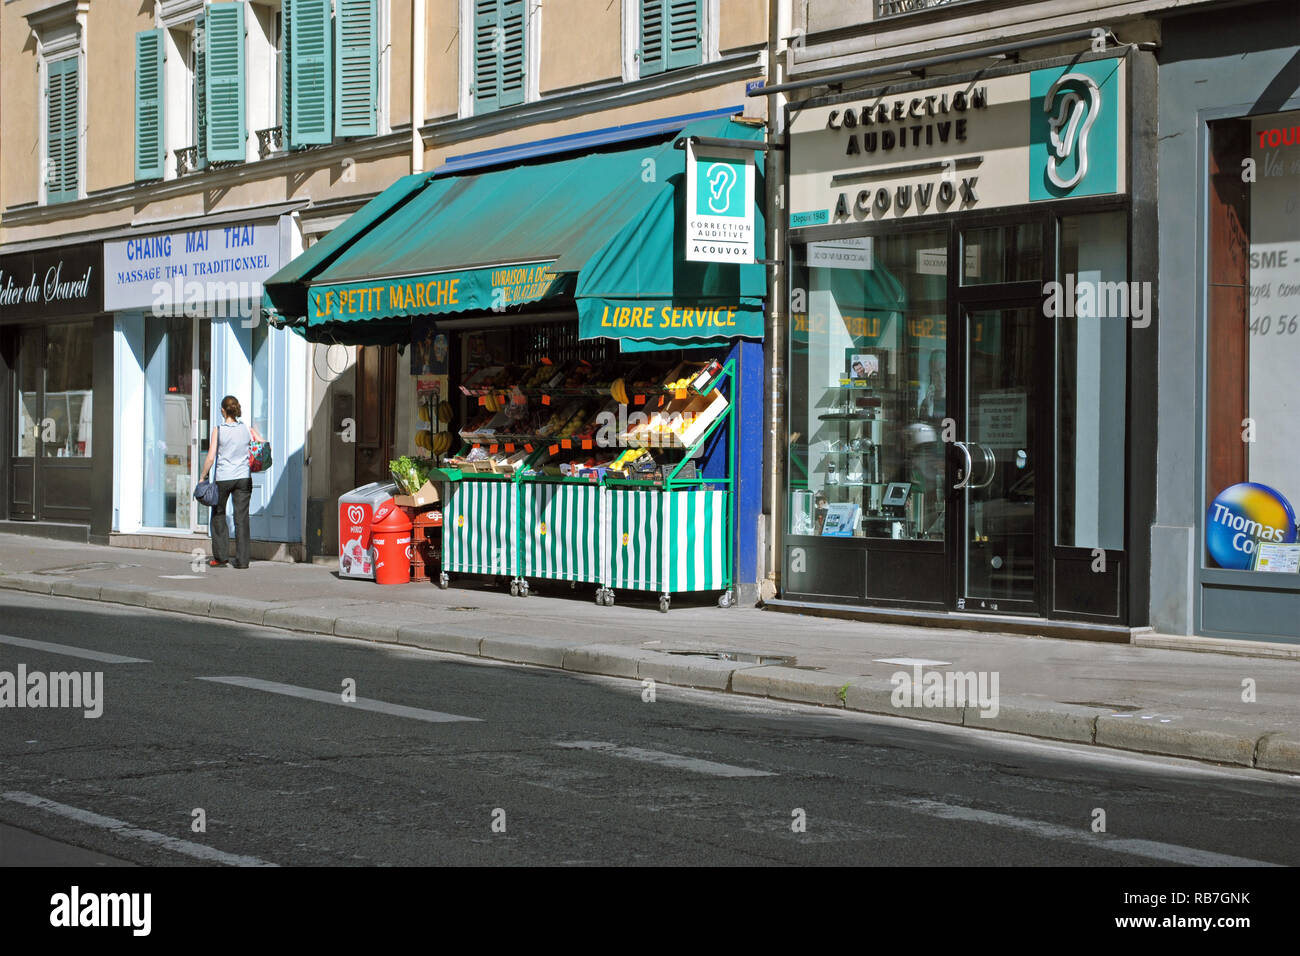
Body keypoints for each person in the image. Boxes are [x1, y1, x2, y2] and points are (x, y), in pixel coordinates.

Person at [199, 395, 263, 569]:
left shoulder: (218, 430)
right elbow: (262, 444)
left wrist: (203, 476)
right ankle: (242, 561)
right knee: (241, 518)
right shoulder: (247, 429)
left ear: (222, 410)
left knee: (219, 515)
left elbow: (211, 457)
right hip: (243, 478)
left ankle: (220, 558)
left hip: (223, 478)